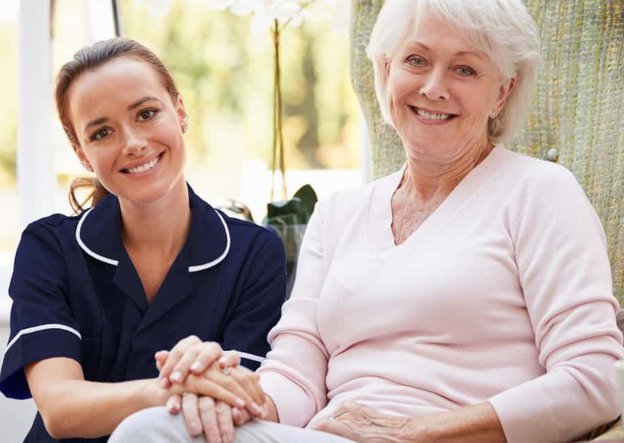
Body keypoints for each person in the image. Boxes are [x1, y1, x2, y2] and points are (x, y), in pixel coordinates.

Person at [109, 0, 624, 442]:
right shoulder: (339, 213)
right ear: (385, 72)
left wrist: (414, 433)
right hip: (325, 435)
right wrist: (231, 397)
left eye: (465, 69)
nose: (434, 87)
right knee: (157, 427)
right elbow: (296, 375)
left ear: (503, 92)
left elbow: (598, 378)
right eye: (416, 60)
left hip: (443, 436)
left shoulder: (540, 192)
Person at [0, 38, 287, 442]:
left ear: (180, 111)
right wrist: (169, 388)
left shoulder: (255, 253)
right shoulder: (49, 248)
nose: (133, 143)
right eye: (102, 132)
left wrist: (208, 384)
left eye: (147, 113)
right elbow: (60, 408)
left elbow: (243, 400)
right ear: (82, 153)